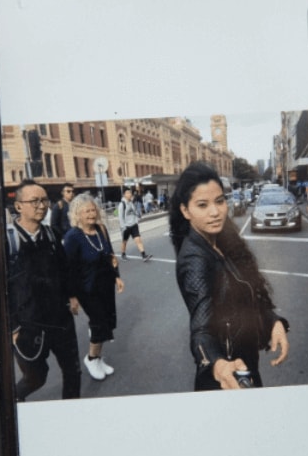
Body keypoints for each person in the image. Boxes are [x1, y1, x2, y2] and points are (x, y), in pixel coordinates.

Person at [169, 163, 289, 390]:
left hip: (245, 364)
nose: (215, 212)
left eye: (219, 201)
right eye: (202, 205)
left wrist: (273, 322)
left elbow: (242, 299)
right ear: (185, 211)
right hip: (228, 377)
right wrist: (216, 363)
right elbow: (201, 328)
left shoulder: (219, 242)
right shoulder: (194, 260)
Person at [6, 180, 81, 401]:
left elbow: (64, 269)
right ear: (19, 206)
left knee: (73, 371)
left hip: (60, 320)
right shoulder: (7, 240)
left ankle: (71, 414)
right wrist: (12, 328)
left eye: (44, 200)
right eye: (34, 201)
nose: (41, 205)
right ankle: (13, 401)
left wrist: (72, 295)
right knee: (36, 377)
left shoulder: (52, 234)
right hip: (28, 325)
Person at [63, 194, 124, 382]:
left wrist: (117, 277)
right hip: (87, 290)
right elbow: (68, 270)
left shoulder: (101, 229)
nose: (91, 214)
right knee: (100, 325)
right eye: (86, 211)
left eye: (93, 209)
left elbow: (110, 256)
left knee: (107, 323)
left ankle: (98, 358)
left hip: (105, 286)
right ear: (77, 214)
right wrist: (72, 297)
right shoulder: (73, 236)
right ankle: (91, 358)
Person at [117, 188, 153, 261]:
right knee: (124, 242)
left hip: (133, 225)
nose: (129, 194)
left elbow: (134, 213)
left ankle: (144, 255)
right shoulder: (122, 204)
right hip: (126, 226)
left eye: (130, 193)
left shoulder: (131, 203)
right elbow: (120, 217)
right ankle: (123, 254)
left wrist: (136, 221)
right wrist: (123, 227)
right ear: (124, 195)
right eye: (127, 193)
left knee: (138, 240)